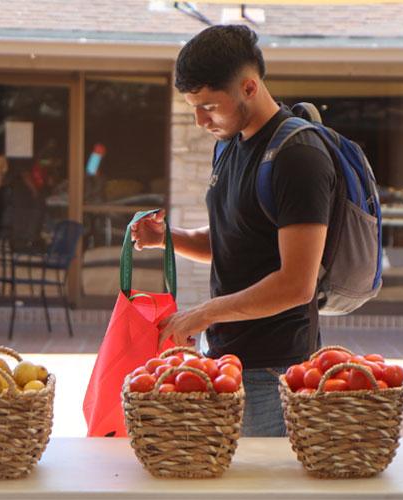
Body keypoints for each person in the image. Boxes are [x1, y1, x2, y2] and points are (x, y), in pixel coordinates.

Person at [130, 25, 336, 437]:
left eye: (208, 106)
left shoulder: (298, 157)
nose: (199, 120)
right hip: (226, 359)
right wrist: (166, 238)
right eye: (192, 106)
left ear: (248, 87)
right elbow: (232, 238)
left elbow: (298, 284)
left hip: (274, 368)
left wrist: (203, 314)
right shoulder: (229, 144)